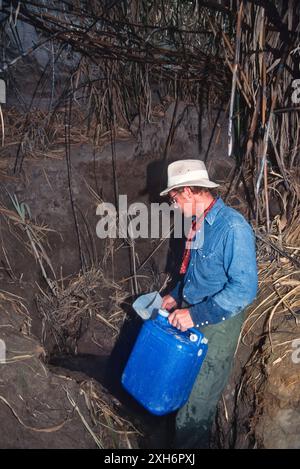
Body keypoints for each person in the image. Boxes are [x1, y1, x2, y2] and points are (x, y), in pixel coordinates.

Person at [160, 159, 258, 448]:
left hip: (218, 324)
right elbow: (195, 272)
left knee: (194, 412)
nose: (174, 204)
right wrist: (176, 295)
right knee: (181, 391)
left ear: (189, 191)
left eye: (175, 198)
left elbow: (244, 290)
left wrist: (195, 314)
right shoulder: (198, 224)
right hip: (193, 311)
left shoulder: (232, 228)